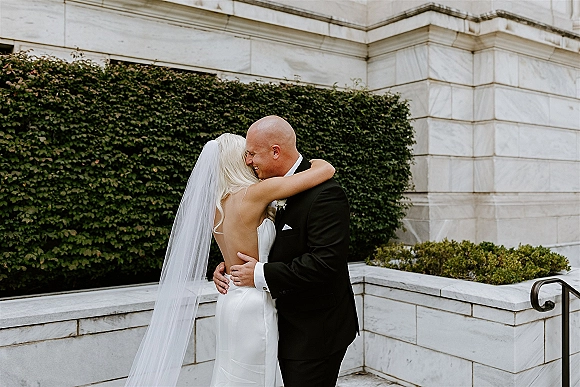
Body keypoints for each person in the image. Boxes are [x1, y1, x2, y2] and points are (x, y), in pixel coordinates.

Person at [125, 132, 335, 387]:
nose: (250, 161)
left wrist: (223, 267)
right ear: (237, 161)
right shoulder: (255, 194)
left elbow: (233, 250)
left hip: (229, 298)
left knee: (230, 373)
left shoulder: (216, 206)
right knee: (257, 378)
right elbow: (325, 172)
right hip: (254, 300)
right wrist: (318, 162)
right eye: (246, 155)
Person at [213, 116, 359, 387]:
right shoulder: (262, 191)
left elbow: (326, 262)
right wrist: (227, 265)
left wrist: (258, 273)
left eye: (252, 154)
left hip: (313, 331)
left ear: (276, 151)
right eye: (245, 155)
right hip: (272, 319)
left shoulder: (325, 194)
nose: (248, 161)